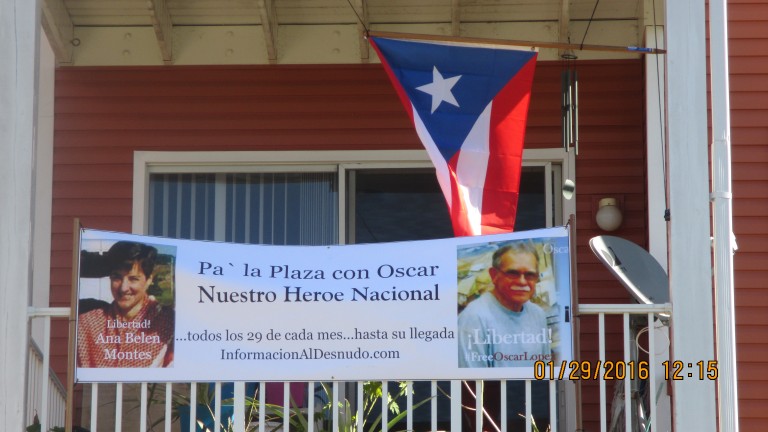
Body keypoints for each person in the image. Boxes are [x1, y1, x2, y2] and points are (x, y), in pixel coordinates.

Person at [77, 241, 174, 368]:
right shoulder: (88, 323)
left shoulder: (168, 323)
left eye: (133, 279)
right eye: (116, 277)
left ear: (148, 280)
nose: (123, 288)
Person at [458, 241, 551, 367]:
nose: (522, 282)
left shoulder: (538, 314)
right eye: (513, 273)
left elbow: (544, 369)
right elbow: (473, 378)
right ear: (494, 275)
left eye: (530, 275)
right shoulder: (474, 318)